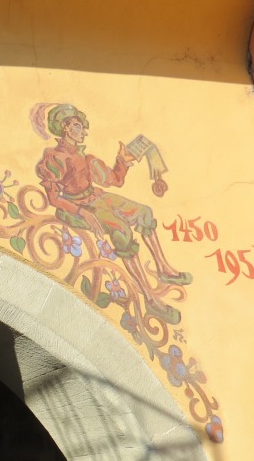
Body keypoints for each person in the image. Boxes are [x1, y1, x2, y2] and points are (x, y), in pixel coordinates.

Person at [33, 103, 191, 325]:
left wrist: (122, 160)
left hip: (96, 198)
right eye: (78, 126)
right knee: (122, 232)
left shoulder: (86, 158)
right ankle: (150, 299)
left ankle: (163, 268)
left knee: (144, 213)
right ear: (65, 128)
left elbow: (115, 180)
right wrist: (82, 212)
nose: (83, 131)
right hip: (76, 208)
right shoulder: (55, 158)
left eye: (82, 127)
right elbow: (54, 199)